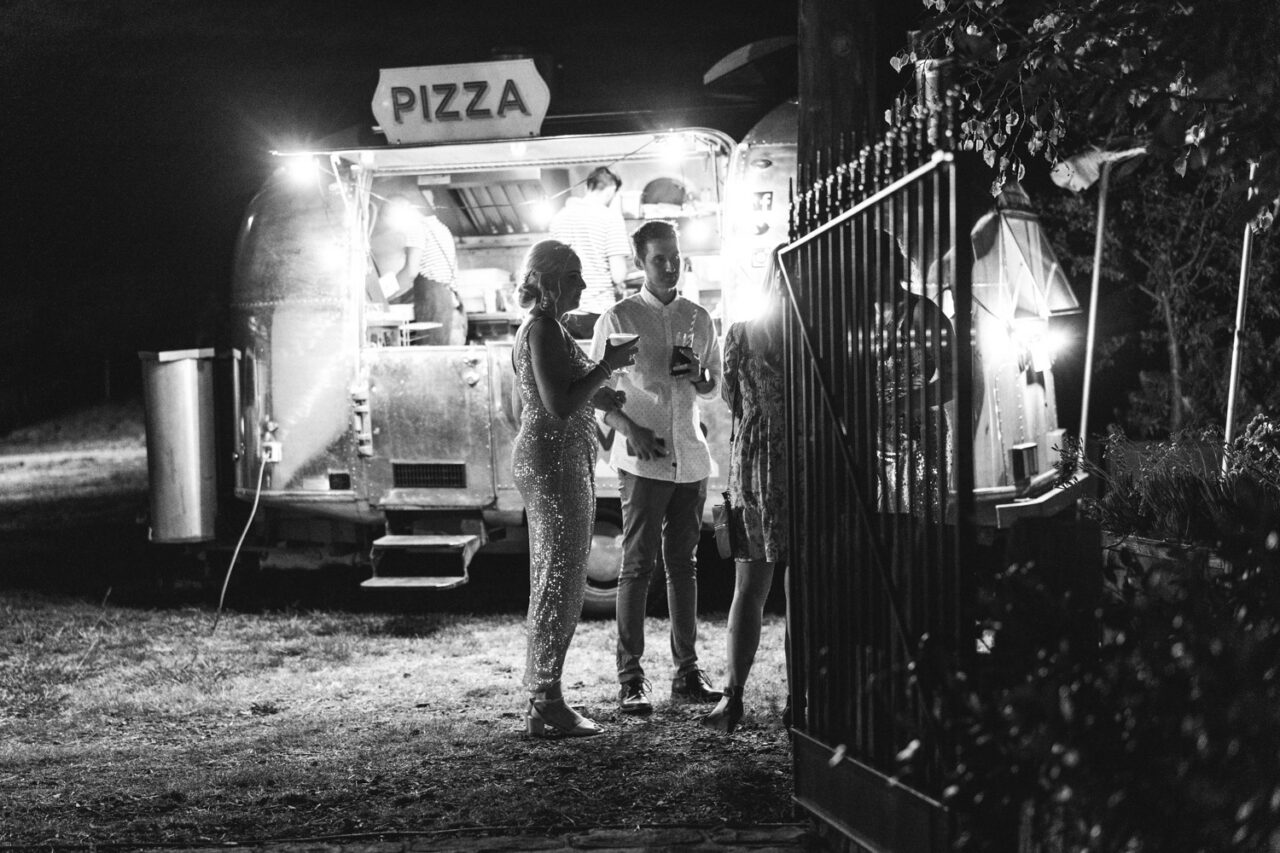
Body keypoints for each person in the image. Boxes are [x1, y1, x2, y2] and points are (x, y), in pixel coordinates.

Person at [589, 220, 723, 714]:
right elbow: (596, 394)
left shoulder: (699, 316)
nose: (670, 266)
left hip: (690, 456)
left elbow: (714, 385)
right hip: (642, 461)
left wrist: (703, 375)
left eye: (675, 257)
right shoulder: (619, 318)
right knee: (637, 566)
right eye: (659, 259)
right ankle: (631, 678)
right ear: (640, 262)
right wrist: (631, 429)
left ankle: (687, 673)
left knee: (684, 566)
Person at [512, 240, 638, 738]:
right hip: (552, 461)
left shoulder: (551, 328)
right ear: (549, 281)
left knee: (559, 579)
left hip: (561, 457)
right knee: (558, 583)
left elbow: (573, 389)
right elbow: (559, 404)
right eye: (575, 277)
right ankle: (546, 703)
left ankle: (547, 697)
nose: (584, 287)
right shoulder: (542, 328)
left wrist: (604, 387)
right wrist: (605, 368)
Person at [701, 283, 788, 734]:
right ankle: (802, 699)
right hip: (806, 461)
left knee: (748, 589)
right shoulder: (820, 335)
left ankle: (732, 697)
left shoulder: (739, 334)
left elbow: (731, 399)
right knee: (803, 593)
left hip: (755, 462)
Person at [551, 166, 632, 338]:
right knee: (600, 364)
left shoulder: (559, 218)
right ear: (611, 191)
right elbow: (618, 275)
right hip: (598, 313)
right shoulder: (610, 218)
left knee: (568, 365)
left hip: (564, 313)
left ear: (588, 187)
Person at [393, 188, 465, 346]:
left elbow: (410, 271)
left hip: (433, 303)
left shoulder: (416, 227)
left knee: (432, 359)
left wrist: (387, 294)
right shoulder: (441, 228)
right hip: (450, 303)